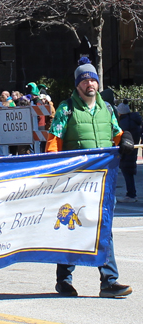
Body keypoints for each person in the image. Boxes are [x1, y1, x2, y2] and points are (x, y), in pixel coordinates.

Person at [46, 57, 134, 298]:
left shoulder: (107, 108)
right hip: (74, 182)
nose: (90, 84)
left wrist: (125, 138)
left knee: (103, 229)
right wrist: (56, 173)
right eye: (85, 80)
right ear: (78, 85)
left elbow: (116, 134)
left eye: (93, 79)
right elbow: (53, 143)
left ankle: (109, 281)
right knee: (71, 228)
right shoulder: (67, 108)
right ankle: (64, 280)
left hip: (103, 182)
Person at [116, 100, 142, 203]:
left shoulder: (124, 122)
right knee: (129, 171)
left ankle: (131, 194)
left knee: (127, 172)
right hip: (133, 148)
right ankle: (131, 193)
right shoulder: (135, 121)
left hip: (125, 150)